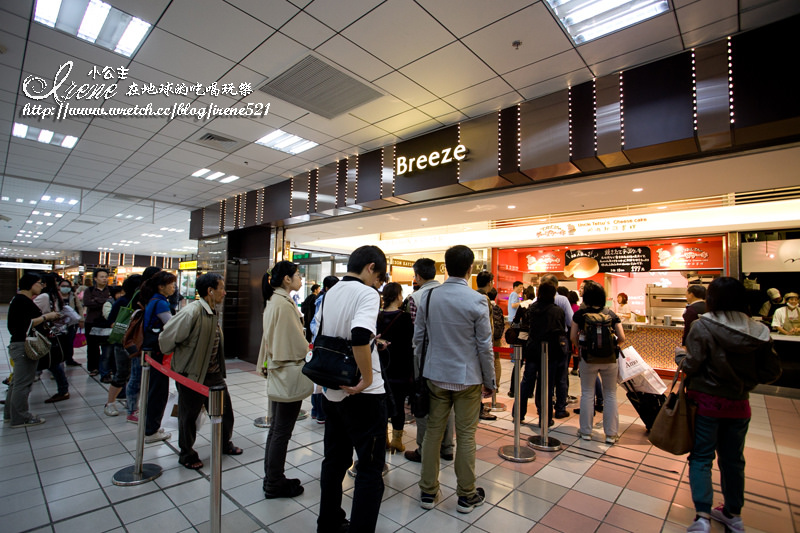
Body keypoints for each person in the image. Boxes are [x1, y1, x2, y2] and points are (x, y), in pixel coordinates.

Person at [683, 277, 781, 533]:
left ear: (712, 298)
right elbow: (771, 371)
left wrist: (681, 359)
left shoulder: (702, 326)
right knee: (733, 460)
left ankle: (702, 516)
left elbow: (691, 365)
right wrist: (745, 379)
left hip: (706, 403)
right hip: (739, 404)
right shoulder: (758, 331)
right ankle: (733, 513)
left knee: (702, 457)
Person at [416, 245, 495, 514]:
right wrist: (490, 380)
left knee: (432, 435)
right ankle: (466, 495)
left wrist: (419, 373)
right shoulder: (477, 300)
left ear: (444, 268)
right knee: (466, 436)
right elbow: (484, 345)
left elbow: (419, 340)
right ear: (470, 268)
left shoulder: (429, 297)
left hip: (435, 375)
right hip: (467, 378)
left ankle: (427, 491)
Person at [316, 245, 387, 533]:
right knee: (369, 469)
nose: (377, 283)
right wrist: (368, 378)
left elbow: (323, 332)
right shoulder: (367, 293)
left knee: (334, 460)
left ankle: (329, 523)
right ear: (371, 267)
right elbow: (358, 335)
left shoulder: (331, 291)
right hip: (364, 396)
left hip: (333, 388)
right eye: (378, 276)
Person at [159, 273, 243, 470]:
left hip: (213, 374)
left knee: (225, 412)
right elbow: (166, 339)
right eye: (221, 288)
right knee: (188, 416)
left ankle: (224, 443)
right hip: (192, 375)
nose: (225, 292)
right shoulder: (192, 312)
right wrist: (186, 357)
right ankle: (186, 453)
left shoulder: (212, 311)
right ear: (210, 291)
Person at [256, 261, 313, 497]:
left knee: (277, 429)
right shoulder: (284, 303)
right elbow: (296, 343)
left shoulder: (274, 300)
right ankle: (274, 482)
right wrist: (311, 351)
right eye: (298, 275)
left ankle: (272, 477)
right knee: (282, 430)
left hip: (278, 370)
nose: (301, 279)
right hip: (288, 371)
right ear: (286, 279)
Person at [404, 258, 455, 464]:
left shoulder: (415, 297)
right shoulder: (448, 294)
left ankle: (423, 448)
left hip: (423, 356)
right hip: (449, 355)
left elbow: (415, 332)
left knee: (423, 401)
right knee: (447, 400)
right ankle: (447, 447)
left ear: (417, 276)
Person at [570, 281, 625, 444]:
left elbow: (573, 336)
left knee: (587, 393)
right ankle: (611, 434)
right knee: (610, 394)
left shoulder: (580, 315)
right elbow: (622, 338)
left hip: (588, 358)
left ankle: (586, 432)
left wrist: (581, 348)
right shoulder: (611, 314)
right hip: (609, 360)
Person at [5, 273, 60, 427]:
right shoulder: (22, 301)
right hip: (24, 346)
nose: (41, 286)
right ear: (31, 284)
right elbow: (25, 324)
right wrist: (46, 317)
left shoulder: (18, 300)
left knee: (16, 382)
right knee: (23, 383)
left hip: (19, 344)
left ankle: (11, 414)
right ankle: (21, 417)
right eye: (39, 283)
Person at [515, 283, 564, 425]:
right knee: (546, 385)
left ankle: (518, 413)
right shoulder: (557, 311)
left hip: (532, 349)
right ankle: (545, 418)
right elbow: (561, 331)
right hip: (551, 352)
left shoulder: (532, 309)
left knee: (526, 382)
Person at [377, 282, 414, 453]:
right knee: (398, 404)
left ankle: (383, 438)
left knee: (381, 403)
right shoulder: (405, 317)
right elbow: (409, 345)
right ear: (399, 296)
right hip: (400, 368)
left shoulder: (377, 316)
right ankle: (397, 440)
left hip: (381, 368)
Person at [141, 271, 178, 444]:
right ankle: (151, 430)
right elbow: (172, 326)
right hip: (157, 353)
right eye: (171, 284)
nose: (174, 287)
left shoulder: (154, 300)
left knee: (155, 390)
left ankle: (151, 426)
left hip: (151, 351)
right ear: (161, 286)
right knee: (158, 392)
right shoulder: (161, 303)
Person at [125, 266, 162, 424]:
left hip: (150, 341)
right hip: (140, 340)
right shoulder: (143, 295)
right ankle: (132, 409)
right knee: (136, 376)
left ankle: (139, 407)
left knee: (143, 377)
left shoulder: (156, 296)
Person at [103, 274, 142, 417]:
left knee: (135, 375)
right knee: (122, 373)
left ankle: (132, 403)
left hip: (137, 344)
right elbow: (111, 321)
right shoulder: (123, 302)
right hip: (123, 344)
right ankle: (110, 403)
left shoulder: (143, 302)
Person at [538, 274, 574, 419]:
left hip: (541, 344)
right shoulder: (563, 300)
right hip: (560, 343)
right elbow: (571, 322)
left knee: (545, 377)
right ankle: (560, 409)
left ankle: (544, 410)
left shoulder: (537, 302)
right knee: (561, 377)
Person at [33, 273, 71, 404]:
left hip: (43, 334)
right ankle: (63, 389)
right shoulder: (54, 296)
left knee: (50, 363)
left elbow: (31, 313)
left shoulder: (44, 296)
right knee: (52, 363)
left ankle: (15, 393)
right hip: (52, 333)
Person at [309, 275, 339, 423]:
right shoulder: (325, 300)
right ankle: (320, 413)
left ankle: (316, 411)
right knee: (321, 380)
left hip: (319, 343)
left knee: (318, 380)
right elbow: (315, 324)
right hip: (323, 345)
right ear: (327, 288)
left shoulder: (322, 299)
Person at [476, 271, 498, 421]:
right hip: (480, 347)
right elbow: (488, 329)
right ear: (490, 282)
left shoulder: (472, 296)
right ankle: (479, 409)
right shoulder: (484, 299)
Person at [82, 268, 111, 377]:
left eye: (106, 277)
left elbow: (112, 302)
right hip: (92, 322)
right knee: (92, 347)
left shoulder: (110, 289)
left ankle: (106, 367)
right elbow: (87, 303)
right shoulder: (89, 290)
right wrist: (105, 301)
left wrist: (97, 300)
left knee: (107, 346)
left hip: (105, 322)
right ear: (95, 278)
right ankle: (93, 368)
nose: (104, 279)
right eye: (102, 277)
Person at [58, 278, 84, 367]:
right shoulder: (56, 296)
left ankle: (69, 359)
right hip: (59, 323)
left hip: (72, 322)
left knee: (70, 341)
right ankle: (59, 360)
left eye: (67, 286)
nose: (65, 288)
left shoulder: (73, 295)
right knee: (60, 342)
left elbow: (79, 307)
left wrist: (81, 319)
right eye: (63, 286)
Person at [567, 290, 581, 375]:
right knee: (576, 350)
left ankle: (566, 368)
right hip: (577, 332)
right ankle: (575, 368)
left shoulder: (567, 307)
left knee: (568, 350)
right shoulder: (578, 308)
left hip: (568, 331)